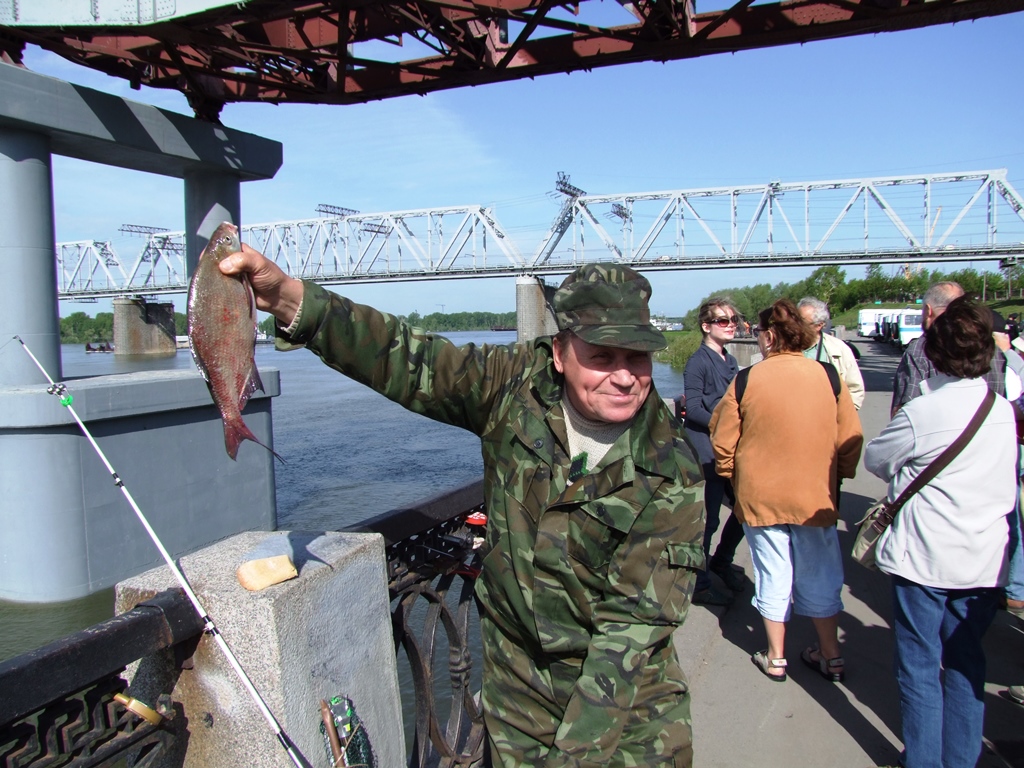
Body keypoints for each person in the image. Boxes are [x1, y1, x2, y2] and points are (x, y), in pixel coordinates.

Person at [220, 248, 707, 767]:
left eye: (637, 357)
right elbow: (410, 360)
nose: (624, 376)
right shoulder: (514, 388)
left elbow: (629, 634)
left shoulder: (670, 469)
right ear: (561, 354)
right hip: (514, 702)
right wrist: (291, 299)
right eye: (602, 357)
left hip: (623, 725)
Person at [864, 296, 1017, 768]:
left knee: (920, 667)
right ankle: (962, 759)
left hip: (925, 558)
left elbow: (877, 459)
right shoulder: (1002, 409)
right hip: (984, 558)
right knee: (968, 666)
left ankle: (923, 761)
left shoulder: (924, 412)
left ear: (933, 352)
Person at [710, 299, 863, 683]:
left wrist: (732, 477)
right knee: (821, 572)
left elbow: (723, 439)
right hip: (816, 496)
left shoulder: (746, 379)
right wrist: (838, 476)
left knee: (772, 572)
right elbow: (851, 437)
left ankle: (775, 656)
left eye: (760, 332)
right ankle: (831, 653)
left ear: (771, 335)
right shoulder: (828, 377)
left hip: (761, 497)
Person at [683, 298, 746, 606]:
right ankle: (699, 583)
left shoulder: (729, 360)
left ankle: (721, 560)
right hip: (706, 451)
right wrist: (725, 425)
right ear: (706, 327)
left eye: (734, 319)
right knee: (707, 521)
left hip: (731, 447)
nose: (732, 324)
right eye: (723, 320)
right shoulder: (698, 362)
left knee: (747, 510)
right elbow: (693, 409)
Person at [891, 281, 1005, 417]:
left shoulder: (919, 350)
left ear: (928, 310)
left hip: (936, 434)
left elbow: (904, 412)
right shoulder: (989, 346)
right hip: (992, 431)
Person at [797, 297, 865, 410]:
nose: (796, 326)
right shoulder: (783, 347)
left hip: (829, 420)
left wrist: (842, 418)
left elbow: (855, 389)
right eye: (795, 321)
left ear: (819, 325)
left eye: (802, 322)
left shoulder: (840, 349)